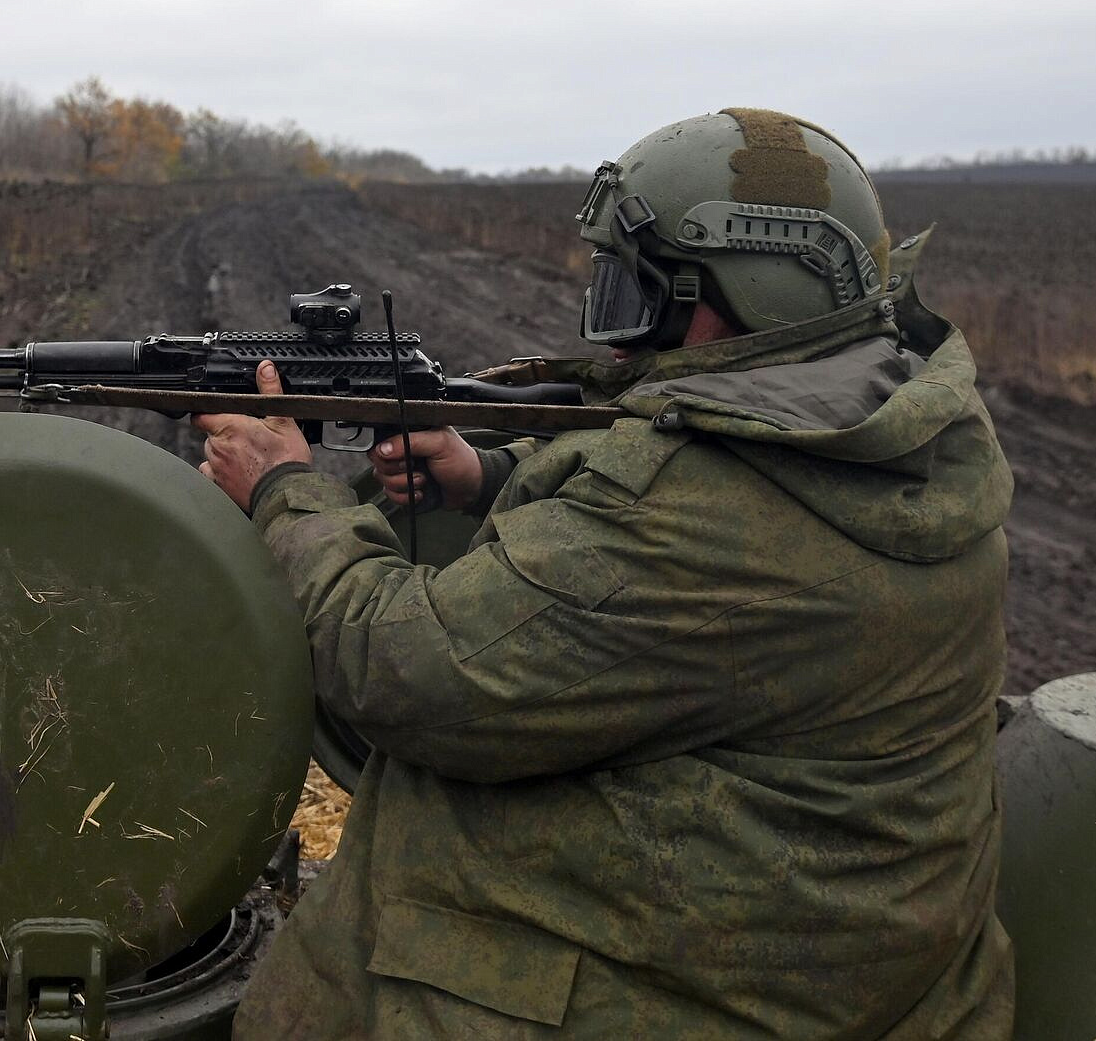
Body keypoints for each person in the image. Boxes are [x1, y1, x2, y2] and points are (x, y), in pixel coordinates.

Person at [194, 109, 1016, 1039]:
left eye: (641, 297)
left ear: (750, 292)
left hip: (694, 994)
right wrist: (490, 475)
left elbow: (413, 671)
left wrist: (285, 492)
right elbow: (665, 568)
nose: (619, 339)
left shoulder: (705, 511)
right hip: (829, 948)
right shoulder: (884, 426)